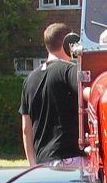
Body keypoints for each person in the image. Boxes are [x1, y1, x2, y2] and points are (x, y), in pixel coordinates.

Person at [20, 22, 81, 166]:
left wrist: (32, 165)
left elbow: (26, 129)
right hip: (71, 159)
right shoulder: (69, 71)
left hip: (42, 163)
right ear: (68, 43)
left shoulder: (29, 80)